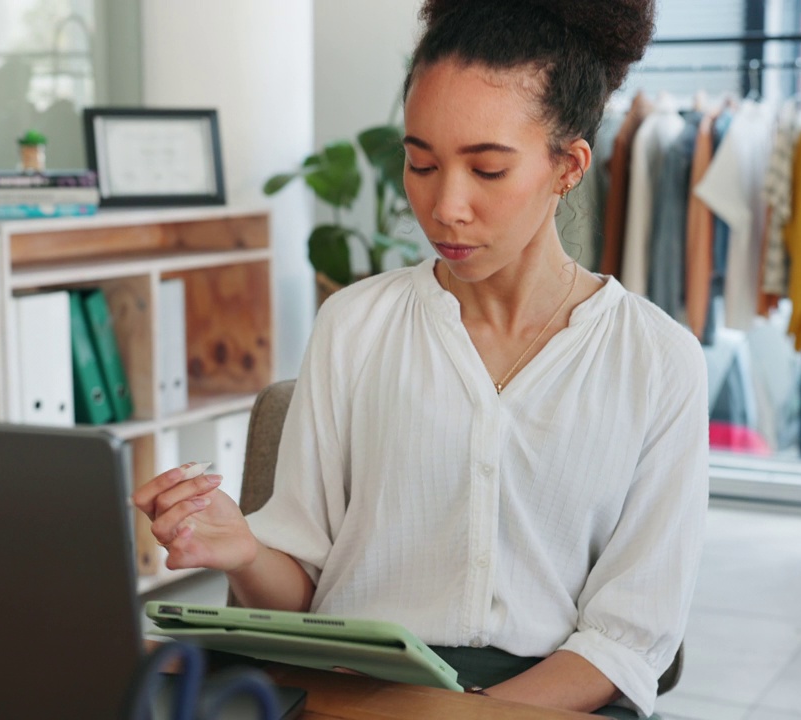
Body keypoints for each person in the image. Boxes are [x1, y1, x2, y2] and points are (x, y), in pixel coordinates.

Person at [132, 1, 708, 716]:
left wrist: (461, 712)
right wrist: (243, 549)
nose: (445, 206)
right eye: (421, 163)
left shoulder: (658, 363)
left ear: (568, 166)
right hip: (353, 692)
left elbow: (627, 640)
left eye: (488, 170)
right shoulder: (354, 325)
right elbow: (301, 594)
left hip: (550, 700)